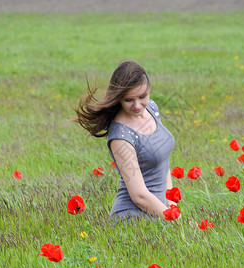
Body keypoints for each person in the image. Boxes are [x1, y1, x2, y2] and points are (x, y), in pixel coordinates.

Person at [74, 60, 176, 220]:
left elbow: (163, 162)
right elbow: (139, 196)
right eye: (129, 100)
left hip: (161, 211)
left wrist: (172, 205)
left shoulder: (152, 108)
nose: (137, 105)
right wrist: (172, 219)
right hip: (134, 217)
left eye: (143, 96)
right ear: (119, 98)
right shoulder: (120, 136)